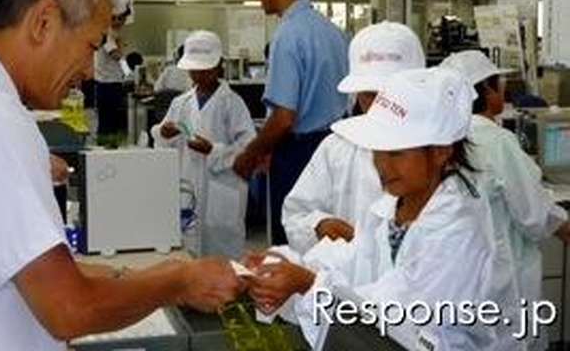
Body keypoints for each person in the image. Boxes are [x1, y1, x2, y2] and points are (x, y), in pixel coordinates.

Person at [0, 0, 239, 350]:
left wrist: (138, 276)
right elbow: (68, 309)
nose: (89, 69)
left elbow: (25, 267)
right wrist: (176, 281)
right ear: (43, 22)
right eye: (91, 46)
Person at [244, 68, 498, 349]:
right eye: (377, 151)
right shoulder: (392, 206)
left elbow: (400, 319)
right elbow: (352, 263)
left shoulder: (458, 229)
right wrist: (287, 264)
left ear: (440, 151)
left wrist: (307, 284)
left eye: (396, 153)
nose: (382, 165)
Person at [440, 50, 570, 350]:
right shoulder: (497, 142)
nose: (504, 88)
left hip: (460, 281)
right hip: (503, 281)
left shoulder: (443, 139)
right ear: (485, 90)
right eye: (498, 82)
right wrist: (562, 226)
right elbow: (534, 214)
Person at [233, 0, 349, 245]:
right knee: (327, 240)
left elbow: (284, 117)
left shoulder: (288, 36)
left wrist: (250, 153)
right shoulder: (334, 33)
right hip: (335, 148)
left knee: (293, 239)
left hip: (299, 154)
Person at [282, 21, 426, 253]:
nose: (381, 107)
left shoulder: (439, 152)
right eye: (370, 96)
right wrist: (319, 225)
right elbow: (296, 212)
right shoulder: (337, 146)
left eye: (390, 96)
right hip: (343, 282)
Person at [151, 30, 256, 258]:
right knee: (186, 247)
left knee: (222, 251)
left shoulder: (232, 103)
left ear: (219, 65)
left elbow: (249, 148)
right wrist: (163, 132)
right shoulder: (180, 103)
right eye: (194, 70)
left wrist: (213, 151)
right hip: (187, 185)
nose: (198, 75)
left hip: (222, 187)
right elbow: (160, 139)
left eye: (204, 69)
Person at [93, 0, 130, 139]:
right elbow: (117, 56)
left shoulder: (112, 33)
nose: (119, 23)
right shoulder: (108, 34)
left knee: (111, 122)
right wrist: (121, 45)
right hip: (108, 86)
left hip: (110, 84)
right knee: (110, 124)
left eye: (122, 20)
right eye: (117, 19)